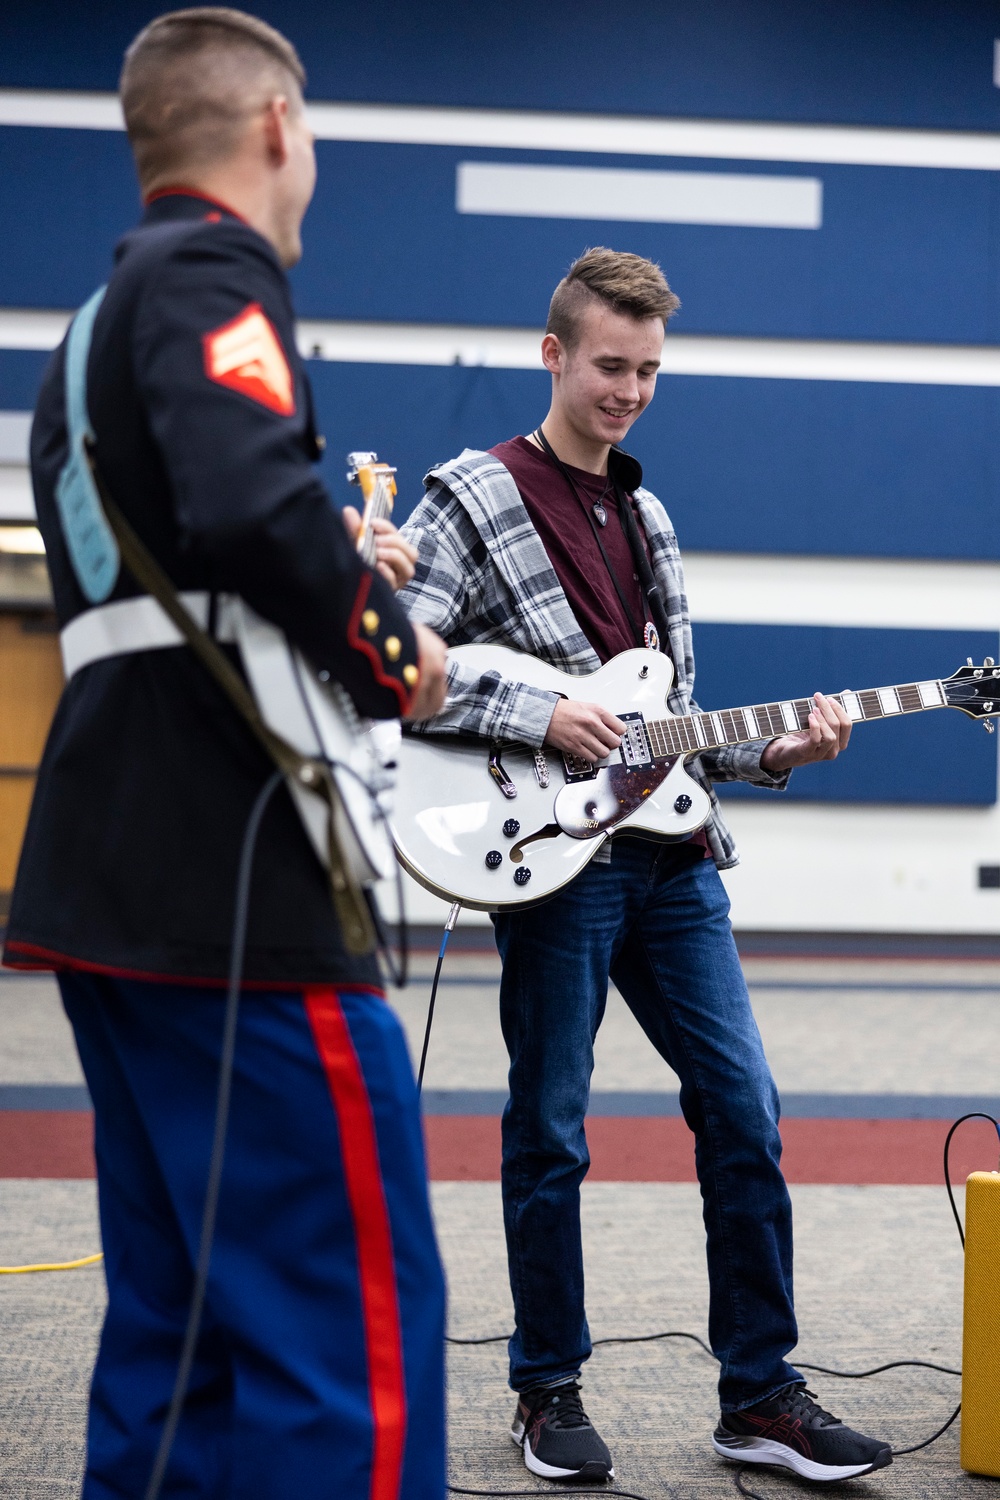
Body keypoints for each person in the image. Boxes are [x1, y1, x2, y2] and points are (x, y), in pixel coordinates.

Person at [2, 10, 449, 1499]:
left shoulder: (83, 332)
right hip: (237, 876)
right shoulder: (209, 270)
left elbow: (174, 558)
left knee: (177, 1326)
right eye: (310, 129)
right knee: (345, 1331)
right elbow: (252, 510)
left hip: (116, 877)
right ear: (273, 128)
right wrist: (398, 648)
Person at [398, 248, 893, 1487]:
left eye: (650, 371)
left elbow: (666, 735)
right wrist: (533, 715)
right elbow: (389, 653)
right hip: (549, 868)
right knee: (552, 1131)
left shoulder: (649, 514)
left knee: (744, 1110)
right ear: (553, 352)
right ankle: (545, 1388)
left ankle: (758, 1396)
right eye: (610, 365)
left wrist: (770, 751)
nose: (629, 390)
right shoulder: (467, 495)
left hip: (674, 867)